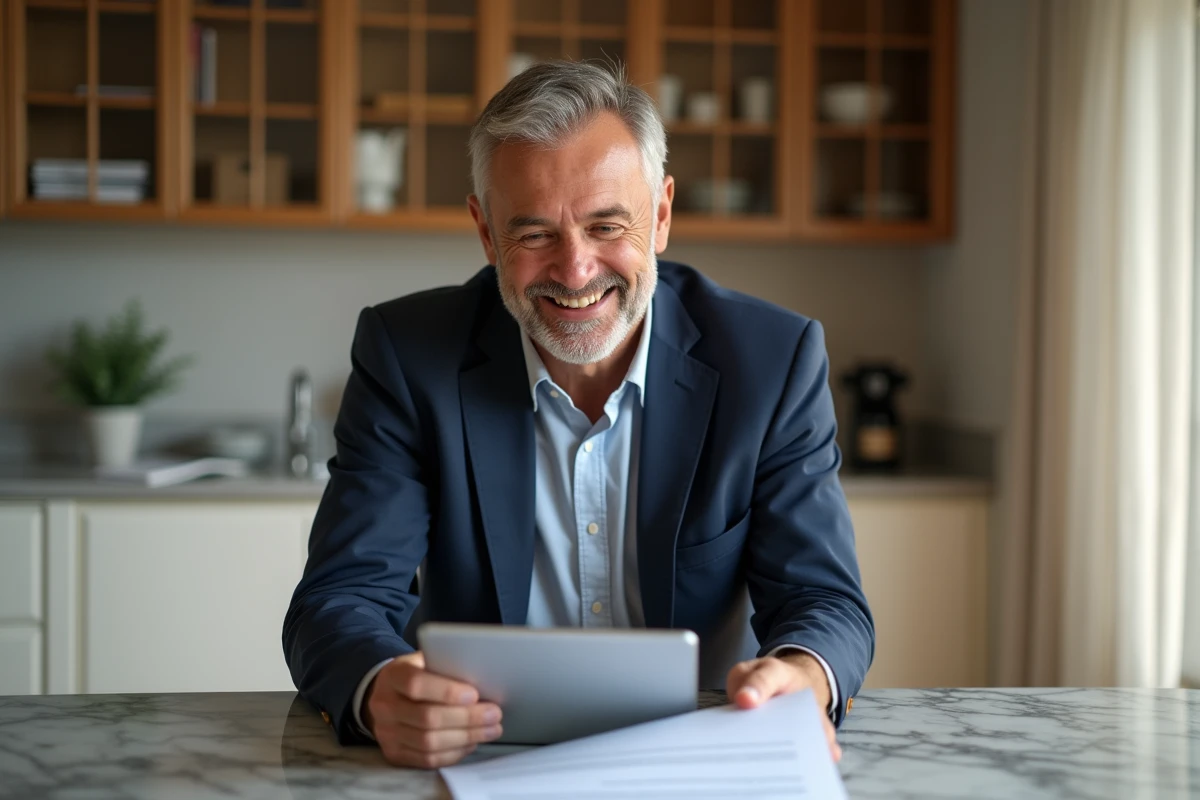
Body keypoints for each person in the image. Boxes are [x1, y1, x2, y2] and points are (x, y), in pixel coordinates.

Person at [283, 61, 874, 770]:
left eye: (606, 225)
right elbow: (338, 599)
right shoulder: (409, 357)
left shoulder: (772, 362)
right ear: (484, 231)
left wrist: (803, 674)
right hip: (481, 759)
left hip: (699, 757)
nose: (575, 269)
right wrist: (379, 689)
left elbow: (825, 600)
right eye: (533, 235)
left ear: (660, 216)